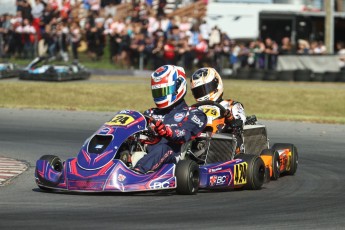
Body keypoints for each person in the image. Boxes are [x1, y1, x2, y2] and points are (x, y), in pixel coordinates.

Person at [133, 65, 207, 174]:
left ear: (178, 88)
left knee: (163, 148)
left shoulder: (194, 113)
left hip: (173, 158)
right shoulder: (150, 113)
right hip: (146, 153)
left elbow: (185, 133)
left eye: (165, 91)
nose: (161, 95)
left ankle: (136, 173)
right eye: (158, 92)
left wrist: (168, 132)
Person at [190, 67, 246, 154]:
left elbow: (240, 122)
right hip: (197, 142)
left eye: (206, 89)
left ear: (217, 84)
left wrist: (230, 119)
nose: (203, 93)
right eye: (199, 91)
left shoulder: (231, 105)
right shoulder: (194, 109)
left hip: (225, 145)